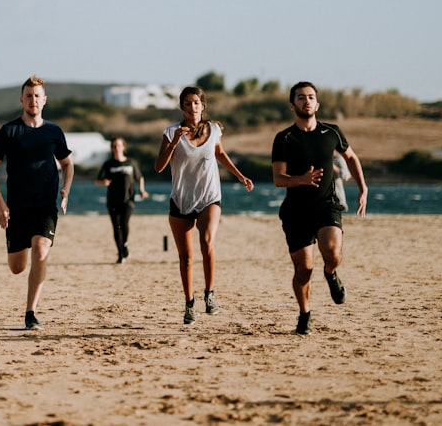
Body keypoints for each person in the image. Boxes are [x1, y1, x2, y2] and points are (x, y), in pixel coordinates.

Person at [272, 81, 368, 335]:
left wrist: (363, 187)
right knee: (303, 270)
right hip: (296, 211)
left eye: (311, 97)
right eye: (301, 98)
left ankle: (331, 273)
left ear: (317, 103)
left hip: (327, 205)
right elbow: (278, 178)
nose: (307, 101)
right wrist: (300, 180)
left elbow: (351, 157)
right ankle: (305, 315)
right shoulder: (284, 138)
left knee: (333, 253)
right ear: (292, 105)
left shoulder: (332, 132)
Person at [154, 86, 254, 324]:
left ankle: (210, 293)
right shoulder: (171, 132)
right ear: (182, 107)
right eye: (187, 103)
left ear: (203, 106)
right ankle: (190, 303)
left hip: (209, 196)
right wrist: (174, 142)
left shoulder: (215, 129)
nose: (192, 107)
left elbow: (219, 153)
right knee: (186, 257)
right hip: (181, 199)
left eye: (196, 102)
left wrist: (240, 176)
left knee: (207, 241)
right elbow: (158, 167)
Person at [0, 75, 74, 331]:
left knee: (41, 250)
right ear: (21, 100)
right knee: (17, 267)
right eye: (28, 96)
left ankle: (31, 313)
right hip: (17, 208)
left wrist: (66, 189)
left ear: (44, 100)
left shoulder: (54, 132)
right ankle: (24, 276)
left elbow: (68, 164)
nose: (33, 100)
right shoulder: (9, 131)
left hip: (45, 207)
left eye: (37, 96)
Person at [95, 136, 148, 263]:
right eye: (114, 146)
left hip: (128, 199)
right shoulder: (108, 164)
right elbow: (97, 182)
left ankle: (124, 244)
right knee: (116, 227)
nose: (116, 148)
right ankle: (120, 254)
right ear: (112, 148)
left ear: (123, 147)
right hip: (112, 200)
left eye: (119, 145)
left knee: (124, 224)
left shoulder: (131, 162)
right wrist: (104, 182)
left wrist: (142, 190)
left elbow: (140, 177)